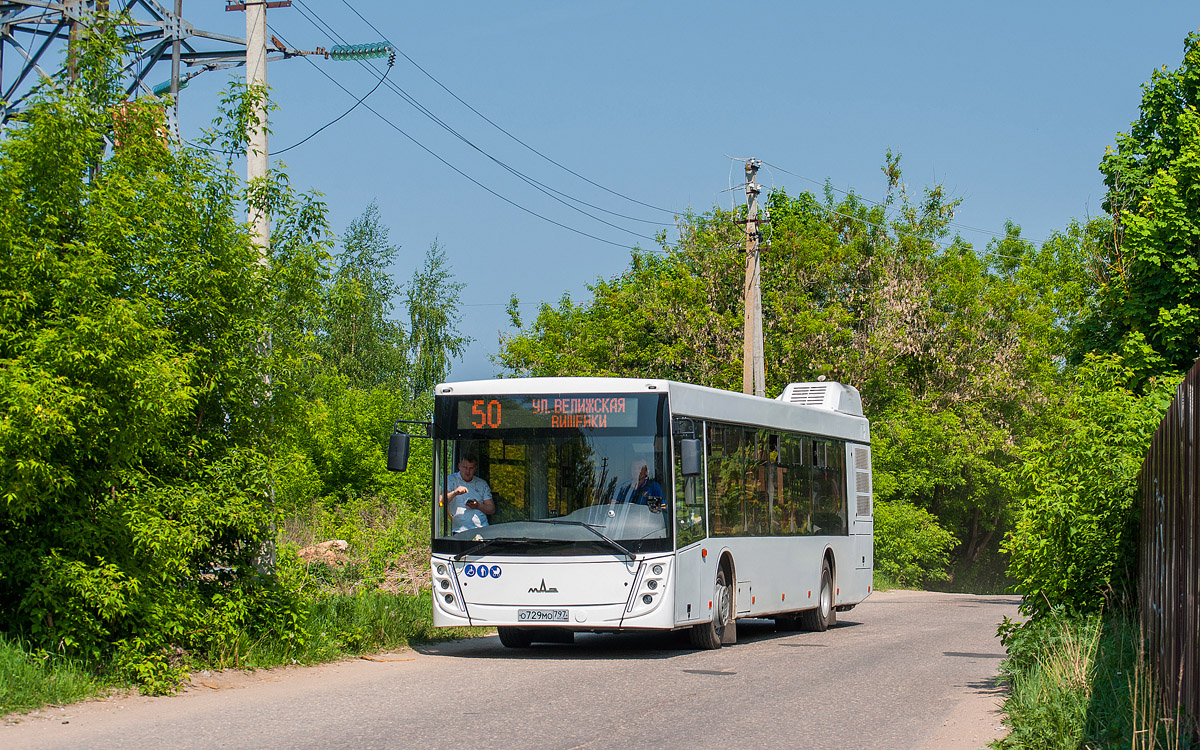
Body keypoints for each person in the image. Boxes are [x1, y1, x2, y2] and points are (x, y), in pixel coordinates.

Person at [443, 455, 494, 533]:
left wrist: (478, 506)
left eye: (471, 468)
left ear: (475, 468)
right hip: (459, 531)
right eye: (465, 467)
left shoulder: (482, 484)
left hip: (481, 530)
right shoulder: (450, 480)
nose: (467, 471)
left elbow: (491, 509)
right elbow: (442, 500)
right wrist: (454, 493)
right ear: (459, 466)